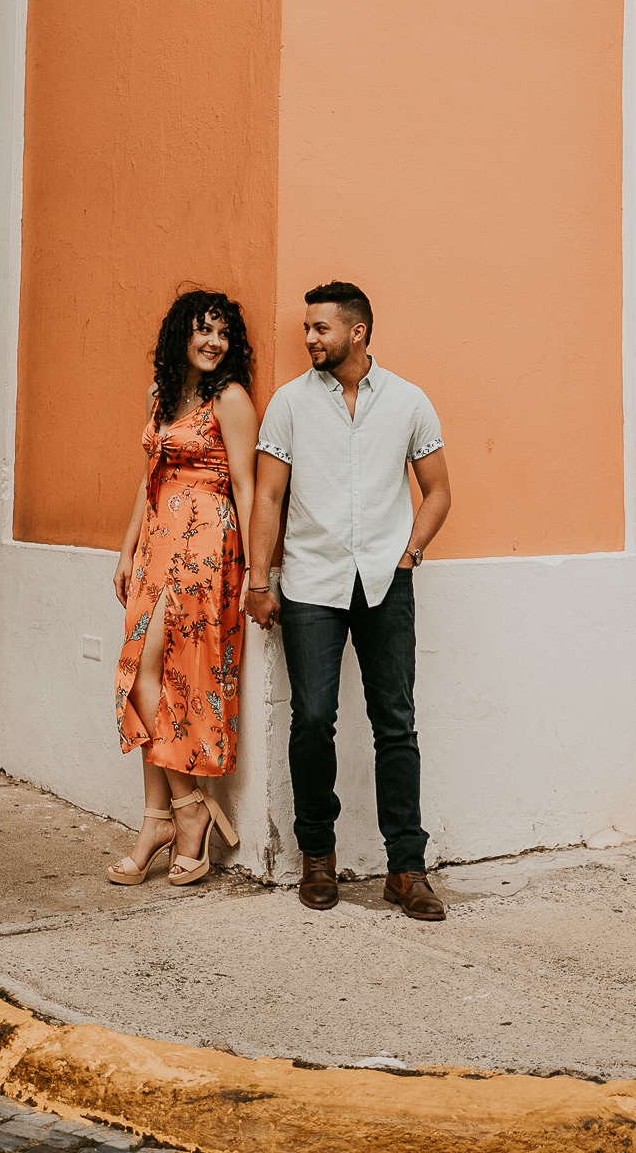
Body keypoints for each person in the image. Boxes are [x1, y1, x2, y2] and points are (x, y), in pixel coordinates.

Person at [246, 281, 452, 920]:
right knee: (312, 721)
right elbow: (269, 498)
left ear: (356, 332)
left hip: (387, 582)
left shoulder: (410, 402)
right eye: (307, 328)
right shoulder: (288, 404)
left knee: (396, 723)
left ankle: (406, 868)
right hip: (311, 582)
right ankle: (317, 857)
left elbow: (439, 490)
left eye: (320, 328)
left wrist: (409, 552)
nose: (308, 337)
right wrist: (260, 581)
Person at [109, 291, 257, 887]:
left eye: (223, 334)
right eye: (203, 331)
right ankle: (165, 816)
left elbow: (246, 487)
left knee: (152, 672)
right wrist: (126, 547)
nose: (213, 342)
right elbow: (149, 479)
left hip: (205, 548)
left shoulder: (232, 399)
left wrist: (254, 568)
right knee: (152, 677)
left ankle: (184, 815)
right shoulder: (161, 395)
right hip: (156, 543)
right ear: (181, 336)